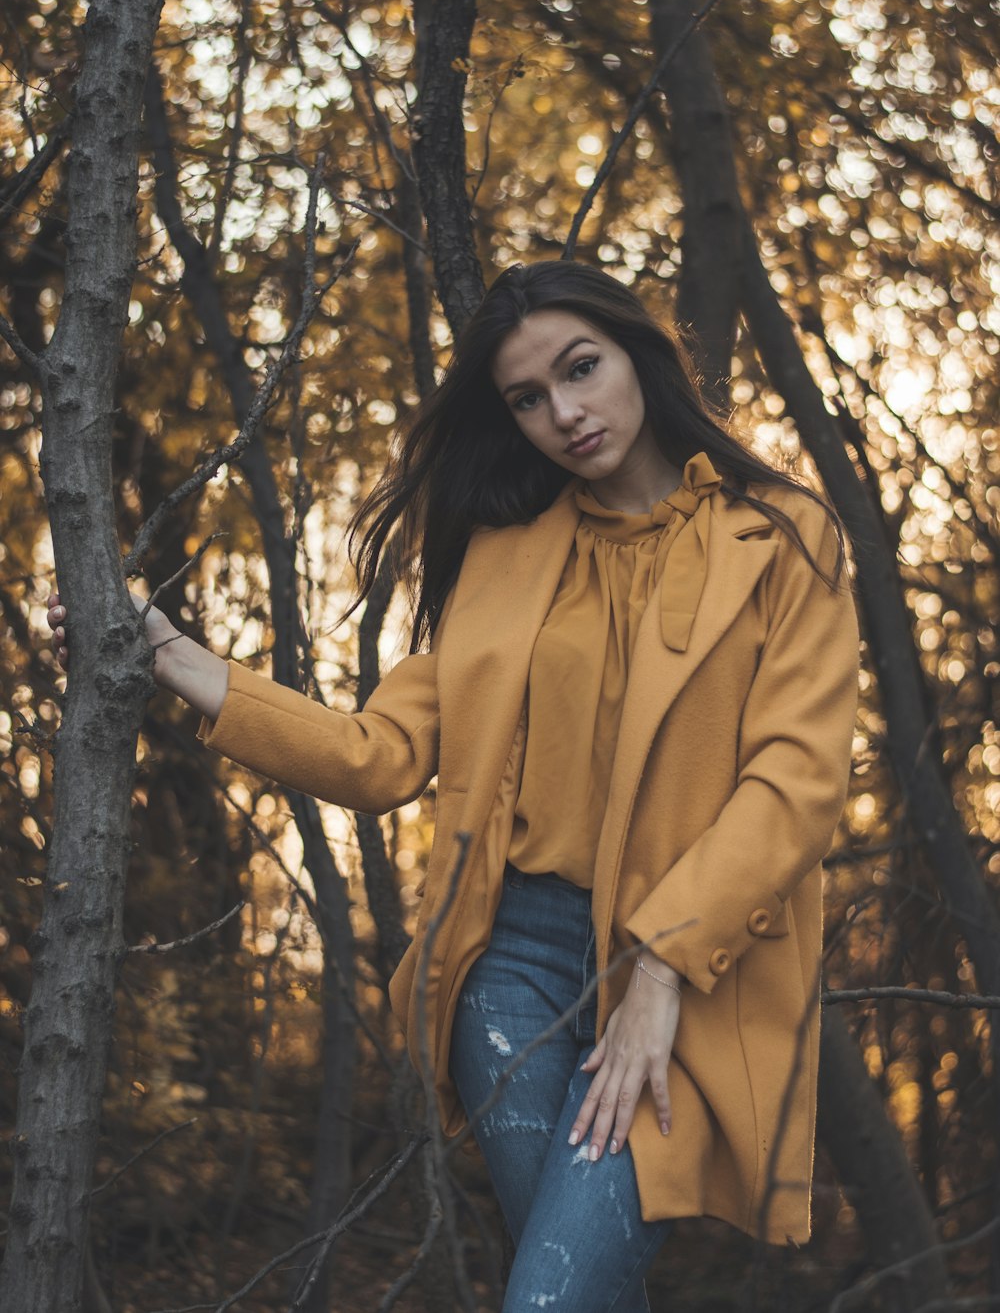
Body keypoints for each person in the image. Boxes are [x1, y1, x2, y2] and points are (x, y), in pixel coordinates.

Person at [48, 260, 860, 1311]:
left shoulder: (785, 536)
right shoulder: (505, 551)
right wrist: (177, 658)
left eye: (581, 369)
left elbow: (793, 784)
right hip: (508, 970)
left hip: (689, 977)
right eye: (527, 398)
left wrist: (658, 972)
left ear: (640, 356)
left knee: (551, 1297)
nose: (563, 413)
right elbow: (378, 753)